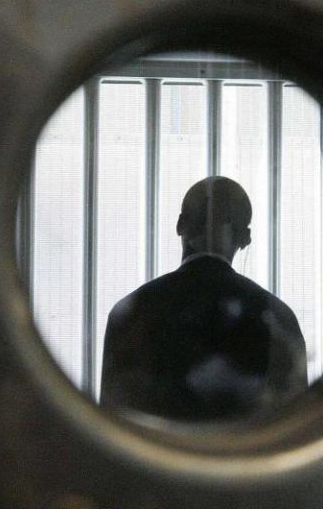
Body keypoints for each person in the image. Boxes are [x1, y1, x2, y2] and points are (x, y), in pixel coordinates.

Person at [100, 176, 307, 421]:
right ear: (244, 238)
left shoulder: (131, 311)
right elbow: (294, 425)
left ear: (180, 224)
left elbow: (114, 422)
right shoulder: (277, 316)